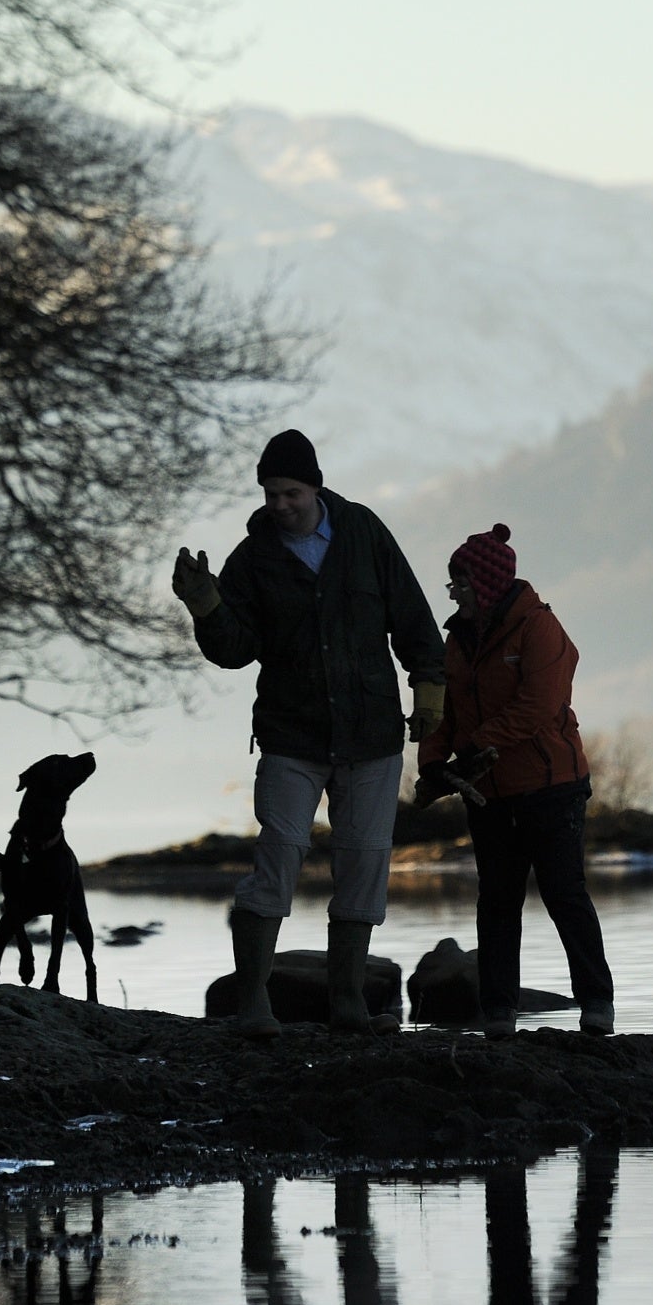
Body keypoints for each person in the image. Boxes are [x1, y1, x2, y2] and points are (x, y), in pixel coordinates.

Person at [170, 429, 446, 1038]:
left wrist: (429, 691)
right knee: (280, 853)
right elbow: (235, 653)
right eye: (270, 494)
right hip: (290, 737)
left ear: (315, 487)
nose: (279, 504)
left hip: (372, 736)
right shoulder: (251, 559)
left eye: (290, 492)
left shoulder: (364, 533)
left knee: (366, 862)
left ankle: (348, 1006)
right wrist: (207, 607)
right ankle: (254, 1008)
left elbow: (414, 619)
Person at [415, 524, 614, 1036]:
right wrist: (434, 765)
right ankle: (499, 1011)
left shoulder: (540, 629)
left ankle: (596, 1003)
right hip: (490, 793)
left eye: (459, 582)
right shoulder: (457, 642)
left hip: (553, 786)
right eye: (451, 584)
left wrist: (472, 748)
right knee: (497, 901)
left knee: (564, 895)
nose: (453, 592)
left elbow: (538, 707)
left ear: (484, 583)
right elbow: (447, 711)